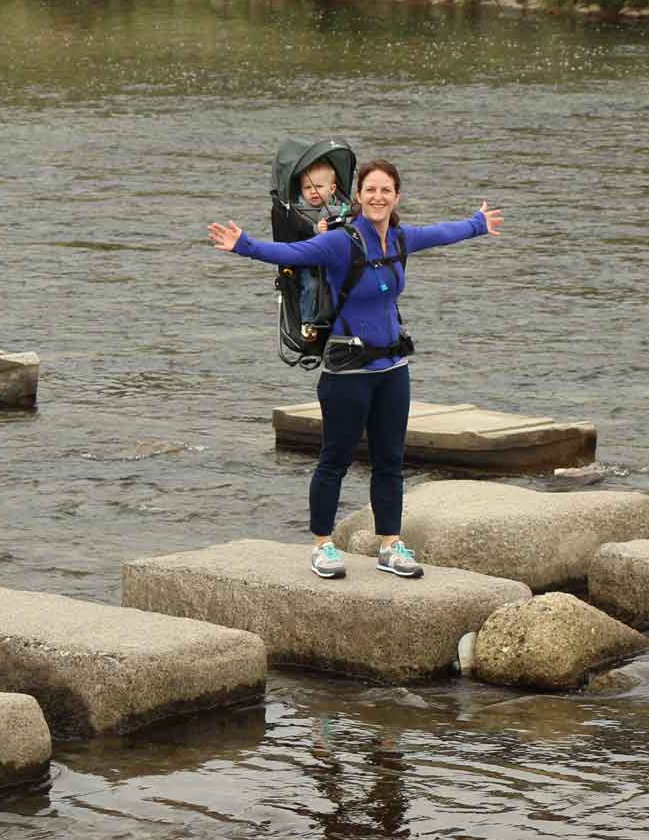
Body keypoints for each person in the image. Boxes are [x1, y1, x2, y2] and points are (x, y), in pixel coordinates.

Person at [209, 159, 503, 580]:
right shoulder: (340, 243)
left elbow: (441, 233)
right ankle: (323, 545)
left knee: (390, 461)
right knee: (335, 460)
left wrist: (477, 223)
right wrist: (244, 244)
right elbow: (291, 253)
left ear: (396, 197)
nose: (378, 197)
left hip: (392, 369)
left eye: (386, 190)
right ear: (359, 197)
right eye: (370, 190)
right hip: (346, 373)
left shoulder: (401, 239)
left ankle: (389, 545)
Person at [290, 156, 350, 331]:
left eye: (319, 187)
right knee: (311, 286)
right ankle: (307, 321)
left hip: (333, 261)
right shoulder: (298, 212)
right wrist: (317, 229)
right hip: (308, 263)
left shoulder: (341, 208)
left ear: (332, 189)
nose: (313, 191)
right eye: (308, 187)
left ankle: (340, 317)